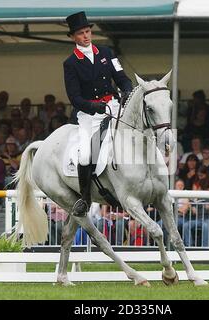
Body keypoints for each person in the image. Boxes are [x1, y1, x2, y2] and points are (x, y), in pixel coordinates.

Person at [63, 11, 133, 216]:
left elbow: (122, 78)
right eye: (81, 33)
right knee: (85, 154)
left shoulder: (106, 53)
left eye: (87, 31)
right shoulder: (70, 63)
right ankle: (84, 198)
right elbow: (74, 98)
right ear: (73, 37)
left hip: (113, 105)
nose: (86, 36)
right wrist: (95, 108)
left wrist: (127, 90)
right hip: (89, 114)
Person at [190, 166, 209, 247]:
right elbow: (193, 199)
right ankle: (189, 246)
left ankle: (204, 247)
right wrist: (192, 207)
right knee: (186, 225)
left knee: (205, 225)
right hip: (199, 218)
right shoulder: (198, 191)